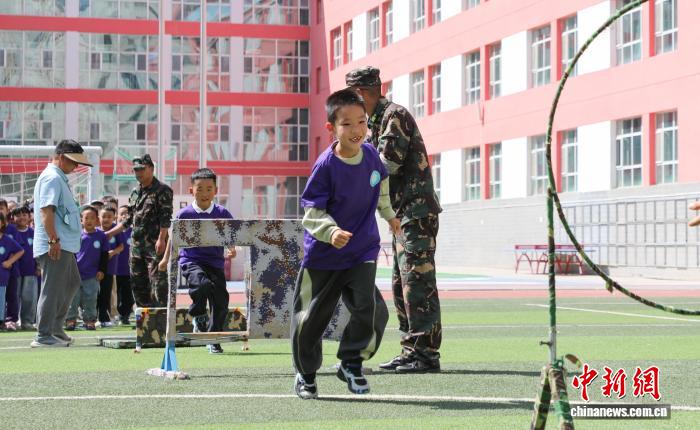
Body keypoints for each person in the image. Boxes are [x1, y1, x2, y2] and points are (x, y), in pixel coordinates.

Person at [290, 89, 399, 400]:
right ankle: (306, 374)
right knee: (310, 318)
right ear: (331, 128)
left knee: (373, 312)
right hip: (324, 255)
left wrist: (389, 215)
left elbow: (380, 187)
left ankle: (351, 362)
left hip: (362, 250)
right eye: (347, 124)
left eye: (362, 122)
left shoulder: (373, 158)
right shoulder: (325, 166)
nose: (356, 130)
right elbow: (312, 213)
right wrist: (331, 231)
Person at [346, 66, 443, 373]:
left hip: (416, 213)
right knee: (403, 284)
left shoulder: (393, 116)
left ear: (361, 93)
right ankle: (411, 349)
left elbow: (386, 165)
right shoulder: (376, 122)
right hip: (403, 215)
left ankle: (425, 354)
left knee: (417, 283)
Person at [159, 168, 236, 354]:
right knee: (202, 285)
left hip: (215, 263)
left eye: (209, 189)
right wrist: (165, 259)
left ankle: (213, 339)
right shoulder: (184, 214)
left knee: (221, 301)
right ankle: (198, 314)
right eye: (199, 189)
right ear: (191, 190)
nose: (204, 193)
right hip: (191, 260)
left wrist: (231, 248)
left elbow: (232, 234)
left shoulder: (223, 213)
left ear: (216, 191)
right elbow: (173, 238)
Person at [32, 139, 93, 347]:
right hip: (55, 244)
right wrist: (53, 239)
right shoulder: (52, 178)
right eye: (72, 161)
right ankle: (43, 335)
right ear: (59, 156)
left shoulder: (58, 178)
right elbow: (46, 211)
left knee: (72, 282)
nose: (76, 166)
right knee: (52, 289)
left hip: (63, 244)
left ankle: (55, 328)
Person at [107, 154, 173, 307]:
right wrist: (109, 234)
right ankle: (144, 317)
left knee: (157, 281)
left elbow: (165, 217)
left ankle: (161, 315)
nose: (138, 173)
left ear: (151, 168)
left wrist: (161, 239)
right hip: (137, 247)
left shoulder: (162, 190)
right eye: (135, 170)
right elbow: (129, 219)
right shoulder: (135, 192)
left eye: (142, 169)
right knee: (137, 284)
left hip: (154, 245)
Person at [66, 206, 108, 331]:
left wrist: (102, 270)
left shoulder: (101, 236)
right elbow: (71, 254)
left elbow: (105, 255)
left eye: (92, 218)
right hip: (75, 274)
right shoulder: (76, 235)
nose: (89, 221)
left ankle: (90, 320)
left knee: (91, 298)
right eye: (86, 218)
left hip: (92, 275)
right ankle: (70, 320)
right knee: (73, 298)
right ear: (81, 220)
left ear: (97, 220)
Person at [10, 206, 39, 330]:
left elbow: (39, 251)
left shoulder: (34, 233)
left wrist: (39, 266)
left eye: (24, 215)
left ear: (29, 217)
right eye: (18, 215)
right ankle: (13, 321)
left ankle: (27, 321)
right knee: (14, 297)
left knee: (29, 297)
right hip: (14, 271)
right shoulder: (11, 232)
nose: (21, 217)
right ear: (13, 218)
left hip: (30, 270)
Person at [97, 207, 123, 327]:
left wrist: (112, 252)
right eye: (104, 216)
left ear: (114, 218)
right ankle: (93, 317)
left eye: (109, 217)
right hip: (95, 268)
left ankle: (105, 317)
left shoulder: (116, 230)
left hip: (110, 268)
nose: (106, 219)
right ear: (99, 218)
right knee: (95, 293)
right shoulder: (96, 231)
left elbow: (121, 246)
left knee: (106, 293)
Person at [0, 212, 25, 331]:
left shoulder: (6, 239)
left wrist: (9, 261)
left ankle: (1, 321)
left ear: (2, 223)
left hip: (2, 276)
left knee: (1, 298)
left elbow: (20, 251)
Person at [115, 205, 134, 325]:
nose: (124, 216)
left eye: (127, 214)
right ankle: (114, 315)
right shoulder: (114, 232)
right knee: (115, 295)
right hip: (114, 270)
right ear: (117, 216)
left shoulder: (134, 232)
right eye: (122, 213)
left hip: (129, 270)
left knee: (128, 295)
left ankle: (124, 316)